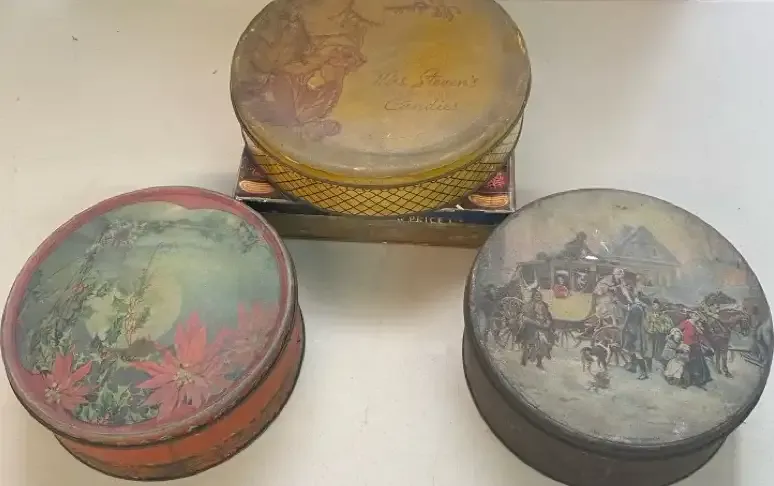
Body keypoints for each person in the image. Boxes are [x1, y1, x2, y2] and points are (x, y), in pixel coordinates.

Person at [519, 290, 555, 369]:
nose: (538, 297)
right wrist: (535, 323)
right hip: (531, 327)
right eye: (536, 295)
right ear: (533, 297)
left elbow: (548, 317)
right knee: (528, 345)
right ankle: (523, 362)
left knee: (544, 343)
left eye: (539, 295)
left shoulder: (544, 305)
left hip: (542, 327)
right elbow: (525, 318)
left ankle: (539, 362)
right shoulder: (529, 305)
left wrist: (547, 322)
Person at [678, 310, 713, 389]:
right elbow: (678, 329)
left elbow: (701, 334)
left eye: (697, 315)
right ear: (691, 315)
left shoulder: (697, 324)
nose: (697, 316)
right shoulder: (686, 322)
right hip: (687, 345)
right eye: (695, 315)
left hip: (695, 345)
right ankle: (687, 381)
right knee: (688, 363)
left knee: (699, 362)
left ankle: (700, 380)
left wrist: (699, 329)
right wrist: (681, 338)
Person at [645, 299, 674, 371]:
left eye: (656, 305)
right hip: (651, 334)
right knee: (650, 351)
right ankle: (649, 366)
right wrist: (649, 329)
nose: (654, 306)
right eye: (653, 305)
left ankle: (661, 367)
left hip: (660, 335)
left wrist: (661, 328)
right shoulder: (650, 314)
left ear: (659, 306)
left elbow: (670, 325)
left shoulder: (664, 315)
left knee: (659, 351)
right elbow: (646, 323)